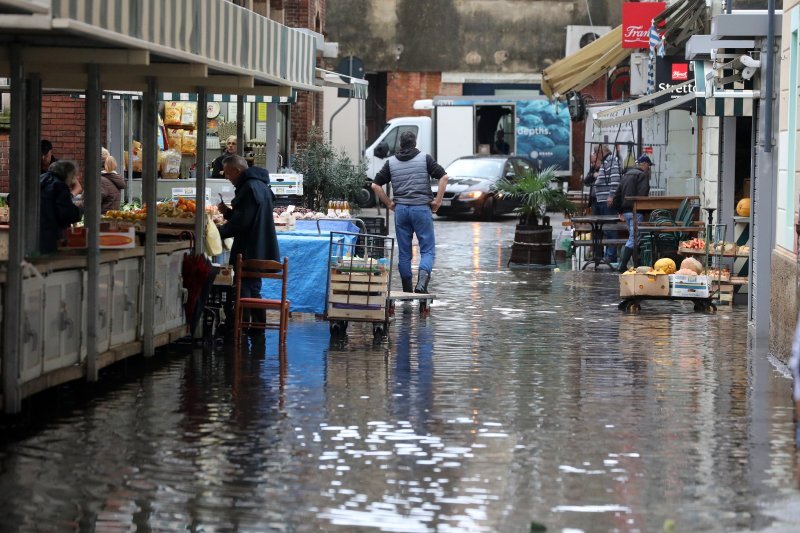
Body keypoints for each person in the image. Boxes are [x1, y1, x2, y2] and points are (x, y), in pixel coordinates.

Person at [371, 130, 449, 294]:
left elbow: (375, 185)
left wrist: (389, 203)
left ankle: (407, 290)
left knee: (405, 252)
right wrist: (438, 201)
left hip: (401, 211)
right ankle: (421, 284)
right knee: (427, 249)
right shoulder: (425, 159)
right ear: (414, 144)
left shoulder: (391, 163)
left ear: (400, 144)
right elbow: (444, 177)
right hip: (421, 209)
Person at [217, 153, 280, 299]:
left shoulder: (249, 188)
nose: (227, 177)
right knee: (253, 288)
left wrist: (216, 232)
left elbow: (242, 223)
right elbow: (250, 217)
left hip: (248, 250)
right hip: (258, 247)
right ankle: (256, 321)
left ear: (237, 171)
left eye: (227, 173)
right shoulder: (260, 185)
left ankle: (244, 321)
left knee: (244, 290)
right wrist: (228, 213)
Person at [613, 155, 652, 272]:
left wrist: (620, 211)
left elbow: (617, 195)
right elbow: (643, 195)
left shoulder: (626, 175)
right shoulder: (642, 175)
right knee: (634, 238)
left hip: (626, 212)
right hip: (636, 211)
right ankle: (622, 265)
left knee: (635, 238)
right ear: (644, 164)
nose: (649, 168)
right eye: (648, 166)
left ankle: (636, 264)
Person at [39, 160, 83, 254]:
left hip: (29, 233)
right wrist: (79, 209)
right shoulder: (60, 186)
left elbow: (11, 198)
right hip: (50, 236)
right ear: (69, 174)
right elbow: (68, 214)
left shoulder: (39, 179)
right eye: (73, 176)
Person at [592, 144, 622, 263]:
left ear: (601, 152)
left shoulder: (612, 161)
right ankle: (604, 255)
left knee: (610, 229)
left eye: (596, 153)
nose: (595, 156)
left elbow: (615, 180)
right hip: (601, 200)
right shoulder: (605, 162)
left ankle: (611, 256)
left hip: (606, 200)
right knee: (604, 229)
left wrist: (611, 196)